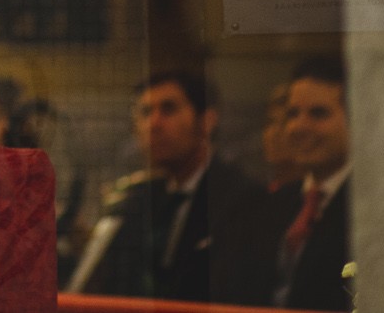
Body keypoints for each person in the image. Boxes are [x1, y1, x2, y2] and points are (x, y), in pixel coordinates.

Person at [67, 71, 262, 303]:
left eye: (168, 109)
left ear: (206, 121)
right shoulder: (141, 196)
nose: (154, 124)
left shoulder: (240, 197)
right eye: (145, 112)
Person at [221, 56, 354, 310]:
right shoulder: (273, 205)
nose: (298, 127)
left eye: (318, 113)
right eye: (293, 113)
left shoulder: (369, 205)